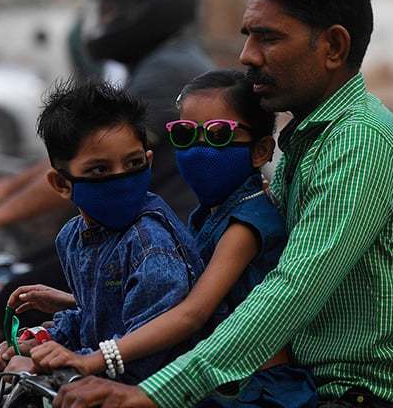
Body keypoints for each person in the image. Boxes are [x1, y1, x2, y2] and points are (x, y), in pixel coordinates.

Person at [53, 0, 393, 408]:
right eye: (247, 35)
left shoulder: (359, 142)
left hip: (358, 393)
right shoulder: (307, 137)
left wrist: (151, 394)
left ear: (333, 46)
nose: (247, 55)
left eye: (269, 37)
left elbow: (287, 294)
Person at [0, 0, 215, 327]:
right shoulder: (157, 63)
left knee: (4, 299)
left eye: (111, 10)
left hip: (153, 238)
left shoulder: (168, 71)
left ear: (144, 10)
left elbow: (90, 162)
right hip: (123, 224)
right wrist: (1, 189)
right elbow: (73, 150)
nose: (103, 20)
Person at [26, 70, 317, 406]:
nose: (197, 150)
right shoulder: (209, 214)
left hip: (250, 387)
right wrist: (71, 302)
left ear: (260, 150)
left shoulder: (245, 225)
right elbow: (175, 297)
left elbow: (194, 312)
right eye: (185, 135)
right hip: (216, 377)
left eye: (218, 134)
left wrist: (93, 360)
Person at [0, 78, 202, 384]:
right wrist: (40, 340)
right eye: (100, 170)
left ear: (148, 163)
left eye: (133, 163)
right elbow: (93, 320)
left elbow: (151, 351)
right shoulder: (72, 238)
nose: (121, 179)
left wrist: (65, 363)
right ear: (62, 184)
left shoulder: (151, 245)